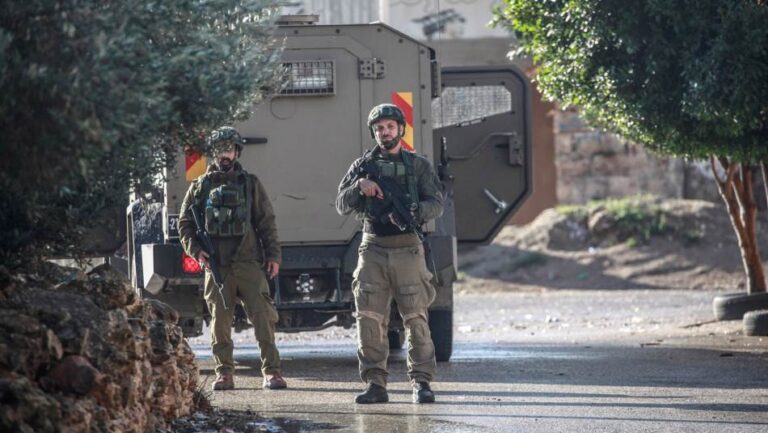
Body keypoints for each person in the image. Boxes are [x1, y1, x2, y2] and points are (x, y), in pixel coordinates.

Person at [336, 103, 444, 404]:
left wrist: (416, 211)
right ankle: (375, 384)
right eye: (379, 128)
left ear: (401, 130)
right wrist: (360, 186)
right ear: (374, 132)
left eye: (390, 127)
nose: (385, 132)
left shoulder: (418, 165)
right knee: (369, 319)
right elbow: (341, 204)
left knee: (416, 318)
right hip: (373, 247)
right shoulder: (362, 166)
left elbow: (437, 202)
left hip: (408, 247)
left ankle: (421, 382)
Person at [178, 126, 287, 391]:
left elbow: (266, 222)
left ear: (236, 152)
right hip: (218, 266)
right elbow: (184, 224)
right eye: (219, 149)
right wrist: (196, 251)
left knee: (263, 318)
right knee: (220, 323)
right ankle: (224, 373)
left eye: (228, 149)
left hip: (248, 263)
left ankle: (272, 372)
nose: (224, 154)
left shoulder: (250, 184)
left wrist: (273, 255)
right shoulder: (199, 187)